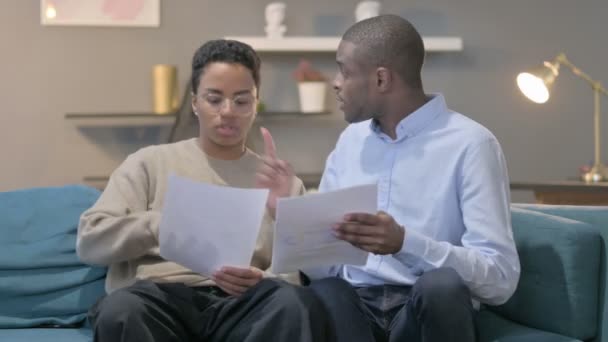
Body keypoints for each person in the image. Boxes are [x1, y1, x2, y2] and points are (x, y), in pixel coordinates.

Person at [257, 15, 521, 342]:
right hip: (351, 311)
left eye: (345, 71)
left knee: (441, 285)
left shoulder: (472, 144)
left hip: (424, 307)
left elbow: (499, 279)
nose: (335, 83)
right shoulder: (350, 142)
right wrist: (291, 216)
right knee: (325, 290)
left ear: (381, 79)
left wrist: (404, 243)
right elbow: (328, 271)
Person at [77, 39, 330, 342]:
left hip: (244, 304)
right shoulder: (149, 163)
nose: (228, 111)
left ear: (255, 103)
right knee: (121, 310)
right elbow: (90, 243)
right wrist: (160, 224)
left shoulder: (278, 179)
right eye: (214, 99)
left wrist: (262, 278)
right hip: (160, 300)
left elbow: (297, 275)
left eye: (241, 100)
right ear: (195, 102)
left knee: (294, 304)